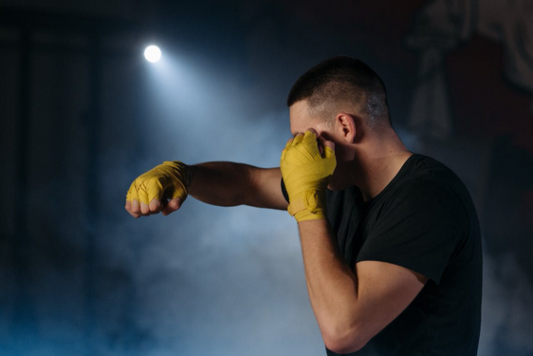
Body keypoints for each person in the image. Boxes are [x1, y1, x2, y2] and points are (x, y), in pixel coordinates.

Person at [125, 56, 482, 355]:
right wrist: (185, 174)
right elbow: (247, 184)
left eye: (302, 137)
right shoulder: (341, 182)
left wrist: (307, 204)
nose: (297, 151)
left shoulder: (427, 197)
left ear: (344, 126)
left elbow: (344, 330)